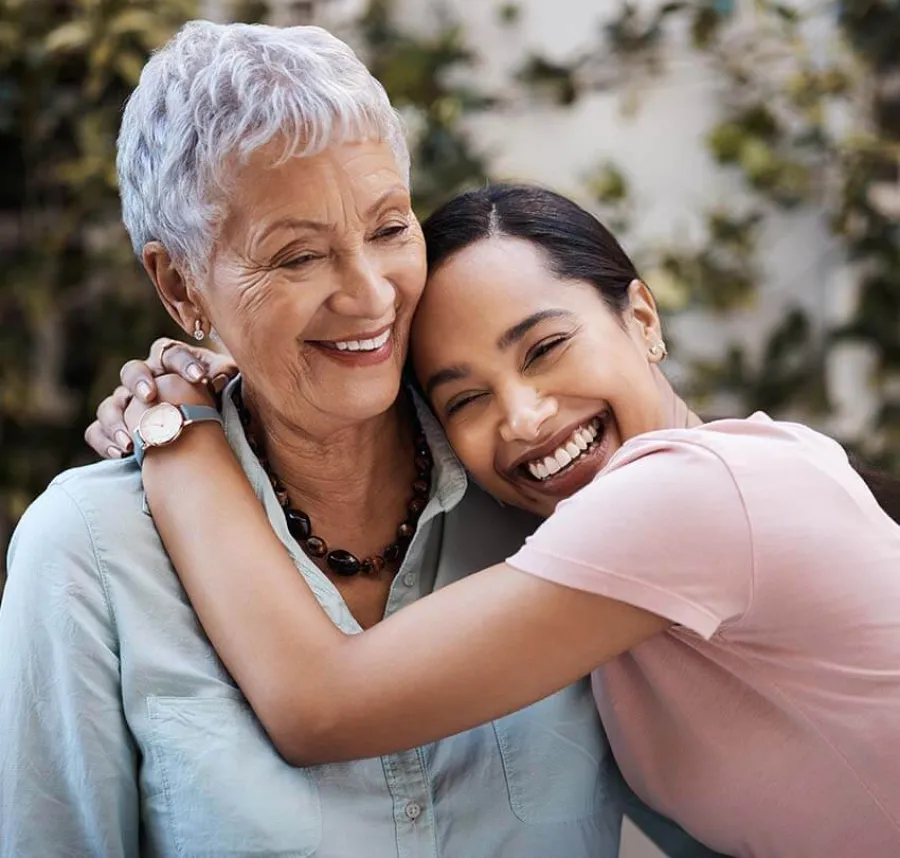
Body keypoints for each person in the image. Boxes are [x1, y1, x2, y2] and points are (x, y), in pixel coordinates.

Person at [0, 22, 712, 858]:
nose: (369, 295)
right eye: (299, 257)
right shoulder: (91, 553)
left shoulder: (540, 487)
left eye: (387, 229)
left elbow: (744, 809)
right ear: (180, 284)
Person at [89, 185, 900, 858]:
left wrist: (180, 428)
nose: (524, 417)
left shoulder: (696, 496)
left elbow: (320, 705)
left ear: (642, 319)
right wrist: (267, 379)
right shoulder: (589, 572)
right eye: (465, 399)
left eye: (544, 347)